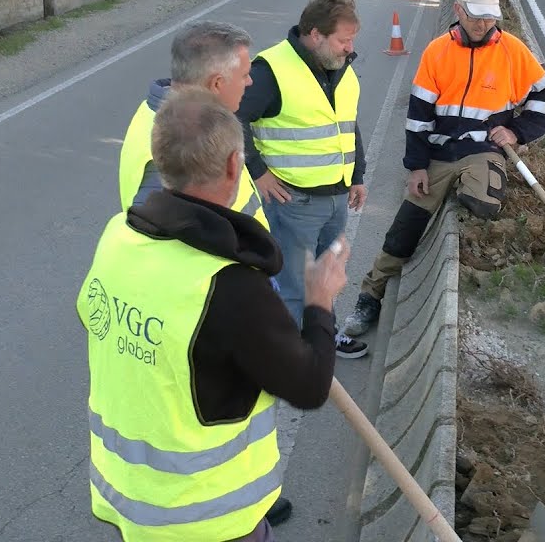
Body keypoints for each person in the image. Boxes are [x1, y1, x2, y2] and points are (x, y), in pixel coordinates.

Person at [76, 87, 349, 542]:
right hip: (207, 518)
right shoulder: (230, 284)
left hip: (127, 498)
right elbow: (308, 384)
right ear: (232, 166)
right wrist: (320, 302)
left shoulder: (117, 236)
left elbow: (96, 319)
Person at [342, 0, 545, 340]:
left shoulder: (513, 50)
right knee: (405, 227)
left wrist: (517, 132)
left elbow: (544, 92)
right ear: (458, 10)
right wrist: (417, 166)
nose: (482, 25)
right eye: (475, 17)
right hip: (439, 153)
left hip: (483, 151)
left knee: (483, 204)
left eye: (489, 18)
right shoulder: (437, 52)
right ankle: (370, 294)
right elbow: (418, 116)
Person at [237, 0, 368, 359]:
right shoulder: (271, 70)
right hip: (295, 201)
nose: (349, 48)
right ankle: (297, 358)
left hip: (336, 197)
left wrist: (357, 174)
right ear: (315, 35)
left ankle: (324, 337)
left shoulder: (339, 67)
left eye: (352, 39)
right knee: (296, 285)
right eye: (343, 40)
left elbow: (347, 123)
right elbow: (232, 115)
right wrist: (258, 171)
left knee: (327, 278)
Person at [117, 21, 267, 231]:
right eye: (244, 75)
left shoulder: (184, 121)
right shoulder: (179, 141)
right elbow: (162, 242)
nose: (250, 82)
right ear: (217, 84)